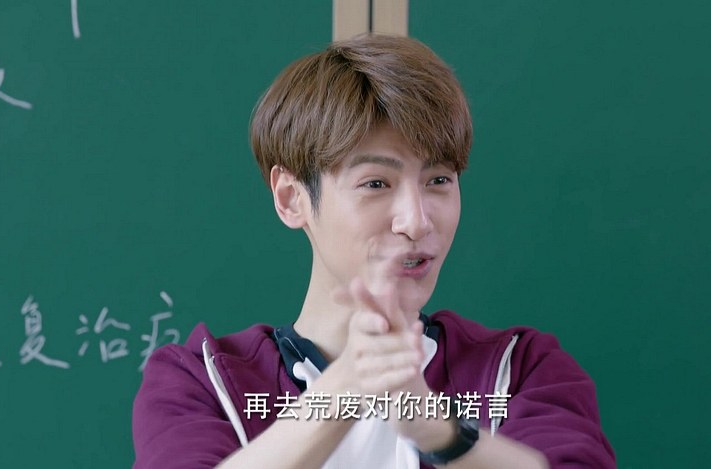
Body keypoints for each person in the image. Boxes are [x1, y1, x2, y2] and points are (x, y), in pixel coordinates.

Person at [132, 34, 615, 469]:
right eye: (376, 183)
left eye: (439, 180)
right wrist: (349, 383)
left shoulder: (522, 368)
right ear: (291, 198)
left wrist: (439, 431)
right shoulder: (200, 380)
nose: (417, 221)